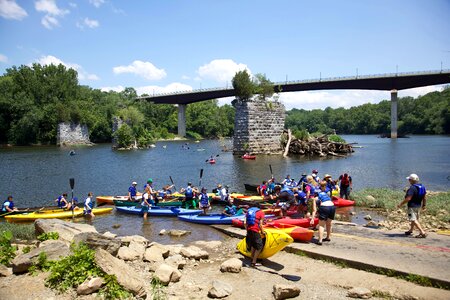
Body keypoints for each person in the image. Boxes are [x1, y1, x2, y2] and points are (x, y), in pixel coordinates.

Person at [397, 174, 427, 238]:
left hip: (412, 206)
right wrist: (424, 205)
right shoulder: (422, 187)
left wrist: (400, 204)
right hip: (418, 206)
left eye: (409, 179)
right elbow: (424, 197)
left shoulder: (412, 188)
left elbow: (408, 198)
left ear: (411, 180)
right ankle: (411, 230)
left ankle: (422, 232)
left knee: (413, 219)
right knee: (415, 219)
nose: (408, 181)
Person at [310, 181, 335, 245]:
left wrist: (312, 219)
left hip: (325, 207)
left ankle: (320, 240)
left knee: (321, 225)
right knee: (329, 223)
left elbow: (314, 210)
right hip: (332, 206)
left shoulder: (315, 199)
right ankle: (328, 237)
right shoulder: (325, 194)